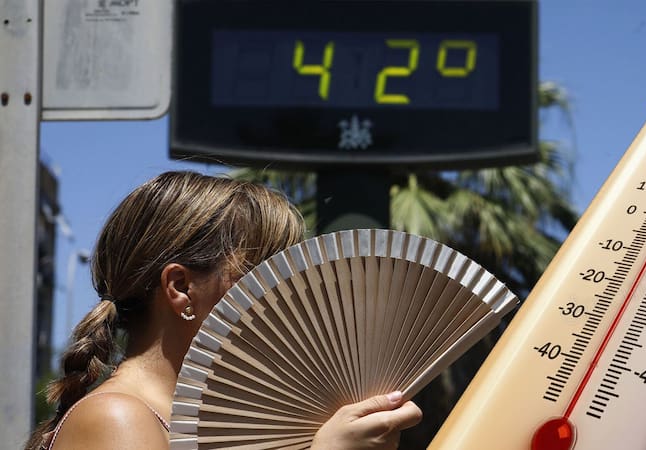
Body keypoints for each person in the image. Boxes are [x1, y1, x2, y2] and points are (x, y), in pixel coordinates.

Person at [26, 171, 422, 450]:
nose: (289, 297)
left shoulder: (210, 426)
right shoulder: (118, 418)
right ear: (181, 288)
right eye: (264, 276)